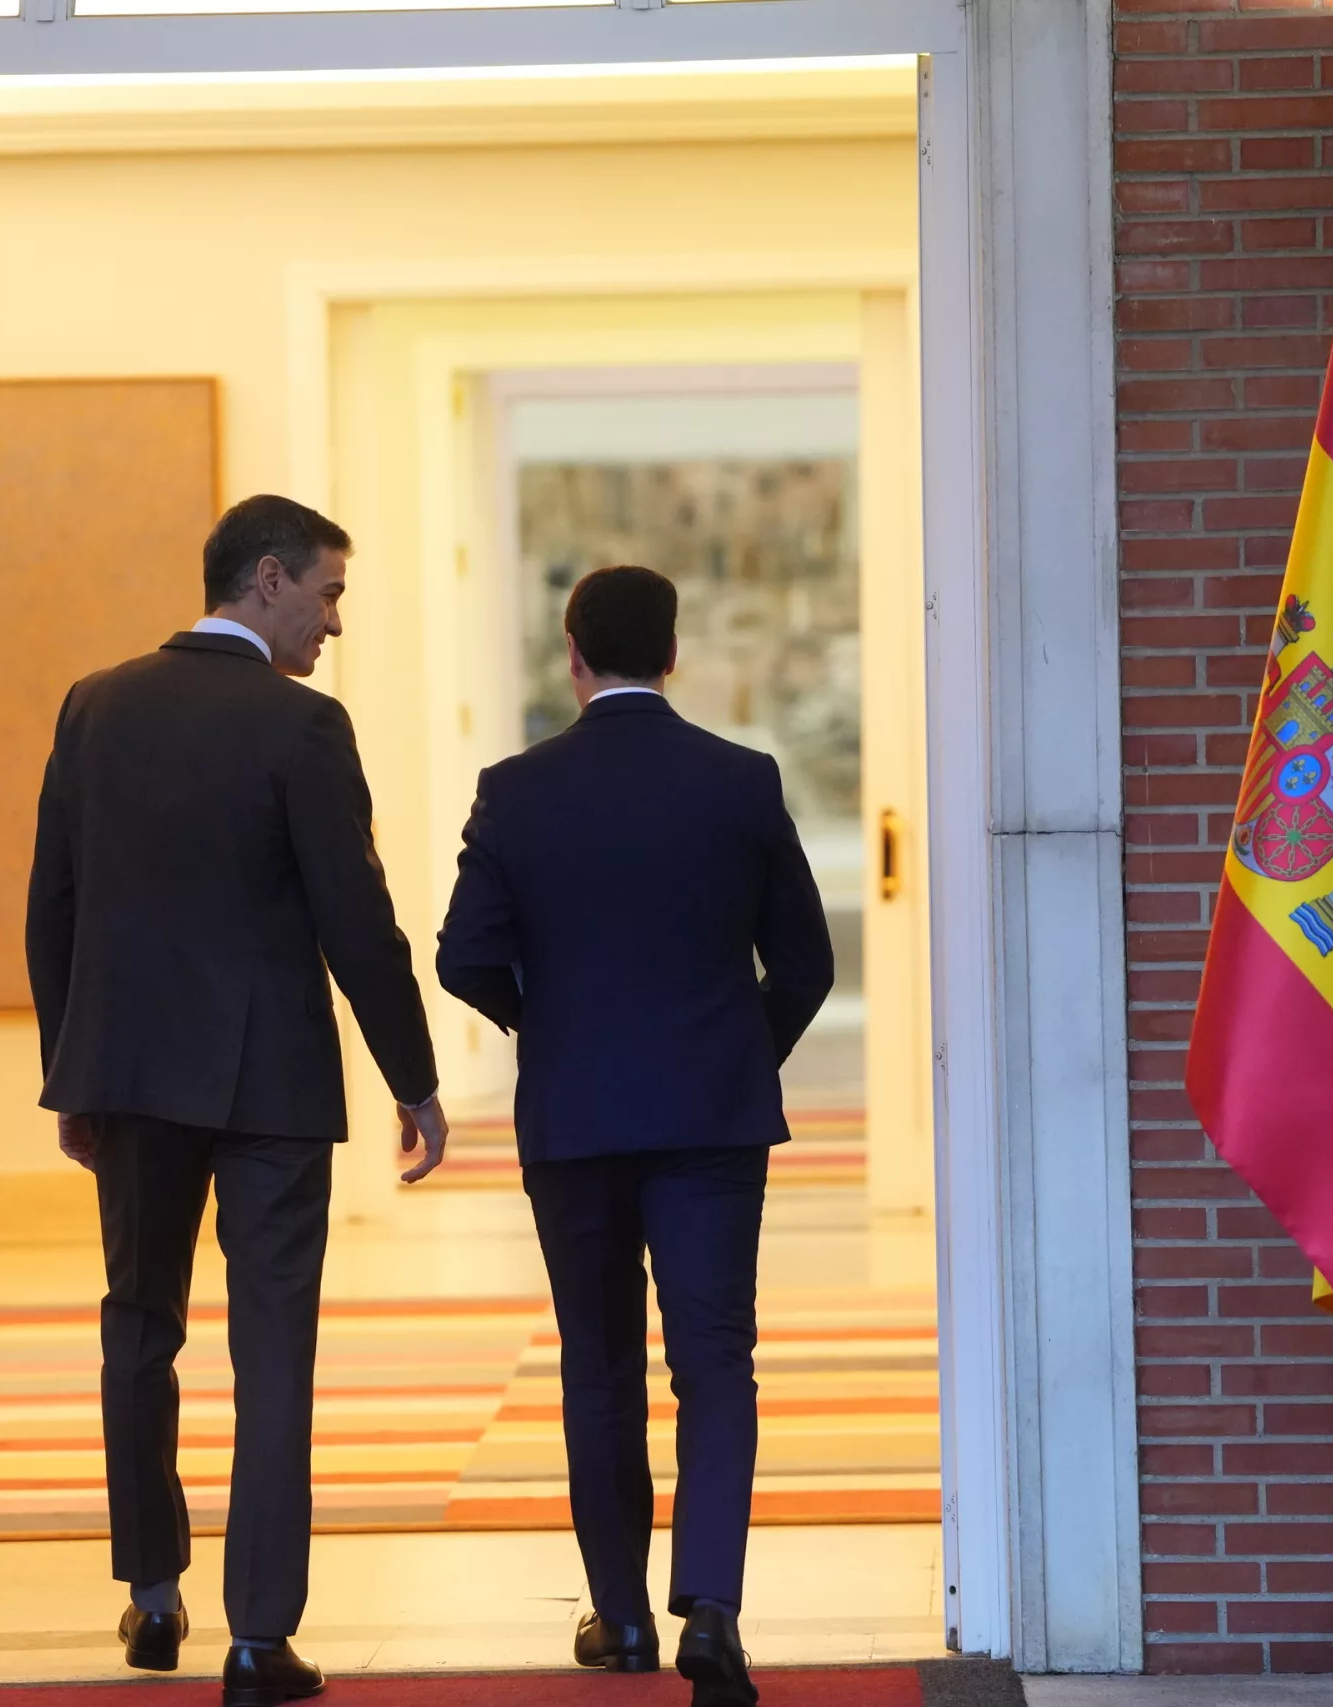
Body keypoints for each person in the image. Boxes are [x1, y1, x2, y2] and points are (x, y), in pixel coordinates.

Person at [27, 493, 450, 1707]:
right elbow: (355, 918)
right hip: (272, 1085)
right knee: (272, 1353)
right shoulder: (302, 725)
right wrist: (412, 1077)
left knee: (137, 1328)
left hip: (129, 1077)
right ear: (267, 578)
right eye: (328, 593)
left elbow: (52, 904)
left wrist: (71, 1071)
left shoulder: (95, 706)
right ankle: (261, 1638)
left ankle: (154, 1593)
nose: (334, 623)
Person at [435, 565, 833, 1707]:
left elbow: (464, 956)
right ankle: (711, 1606)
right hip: (710, 1116)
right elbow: (806, 963)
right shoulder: (740, 780)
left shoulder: (515, 790)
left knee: (598, 1358)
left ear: (572, 655)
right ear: (672, 654)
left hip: (575, 1119)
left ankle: (617, 1615)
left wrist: (553, 1028)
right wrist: (737, 1052)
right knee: (715, 1359)